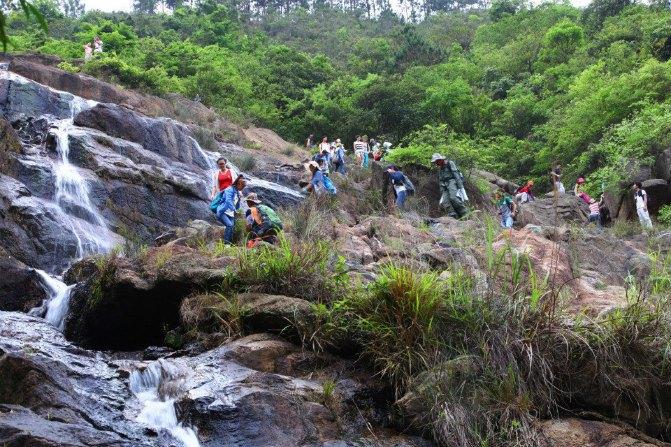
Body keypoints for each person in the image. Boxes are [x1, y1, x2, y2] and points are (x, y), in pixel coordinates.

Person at [432, 153, 468, 219]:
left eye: (437, 161)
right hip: (445, 185)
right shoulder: (440, 169)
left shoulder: (449, 163)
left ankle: (465, 213)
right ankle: (454, 216)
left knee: (453, 198)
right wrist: (442, 191)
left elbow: (456, 174)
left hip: (452, 182)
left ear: (441, 159)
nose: (436, 163)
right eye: (435, 162)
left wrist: (461, 187)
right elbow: (441, 180)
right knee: (444, 201)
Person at [216, 174, 246, 244]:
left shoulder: (237, 192)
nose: (242, 189)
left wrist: (238, 211)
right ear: (238, 184)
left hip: (231, 214)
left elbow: (237, 204)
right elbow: (228, 201)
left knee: (232, 227)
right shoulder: (229, 189)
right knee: (229, 225)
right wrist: (234, 210)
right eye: (242, 187)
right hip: (223, 211)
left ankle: (228, 243)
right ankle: (226, 244)